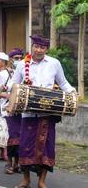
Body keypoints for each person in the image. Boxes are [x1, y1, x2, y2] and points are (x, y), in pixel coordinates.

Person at [13, 35, 76, 188]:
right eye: (36, 46)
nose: (39, 50)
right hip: (28, 113)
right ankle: (26, 180)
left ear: (46, 49)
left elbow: (63, 83)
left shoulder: (54, 63)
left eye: (42, 47)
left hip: (48, 113)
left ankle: (42, 181)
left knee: (46, 147)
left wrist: (73, 92)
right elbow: (13, 85)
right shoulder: (22, 64)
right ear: (32, 47)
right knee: (25, 146)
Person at [4, 48, 24, 174]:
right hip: (10, 110)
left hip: (23, 110)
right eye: (16, 58)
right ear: (11, 60)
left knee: (21, 138)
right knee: (13, 136)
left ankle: (17, 163)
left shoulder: (25, 72)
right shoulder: (5, 74)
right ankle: (9, 163)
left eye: (21, 58)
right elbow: (1, 91)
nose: (19, 60)